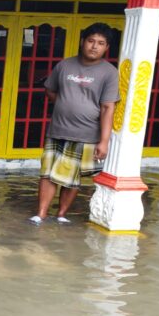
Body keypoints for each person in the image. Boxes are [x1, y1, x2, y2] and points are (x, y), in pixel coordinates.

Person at [30, 23, 119, 225]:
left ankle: (61, 214)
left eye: (100, 43)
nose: (94, 46)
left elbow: (108, 108)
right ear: (82, 42)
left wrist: (104, 141)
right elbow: (50, 90)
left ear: (106, 47)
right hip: (58, 130)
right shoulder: (65, 65)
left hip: (86, 133)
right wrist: (66, 104)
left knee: (72, 177)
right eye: (90, 41)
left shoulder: (109, 72)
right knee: (47, 173)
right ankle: (41, 213)